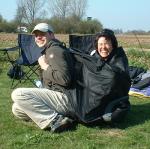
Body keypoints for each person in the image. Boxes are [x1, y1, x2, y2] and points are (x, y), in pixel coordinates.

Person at [11, 23, 76, 133]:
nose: (38, 37)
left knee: (18, 94)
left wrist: (44, 66)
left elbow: (64, 79)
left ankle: (56, 120)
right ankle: (55, 116)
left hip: (65, 98)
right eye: (36, 35)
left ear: (51, 35)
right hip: (55, 96)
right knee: (16, 109)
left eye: (42, 34)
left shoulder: (55, 50)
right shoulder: (48, 50)